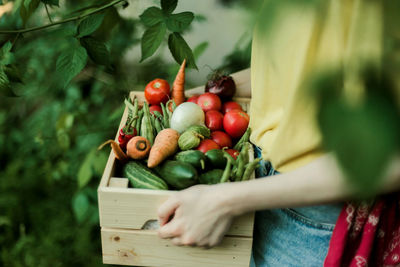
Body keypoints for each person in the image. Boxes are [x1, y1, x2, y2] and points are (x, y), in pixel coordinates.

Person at [157, 1, 400, 266]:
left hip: (320, 214)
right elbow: (302, 64)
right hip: (259, 178)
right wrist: (205, 97)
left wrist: (223, 201)